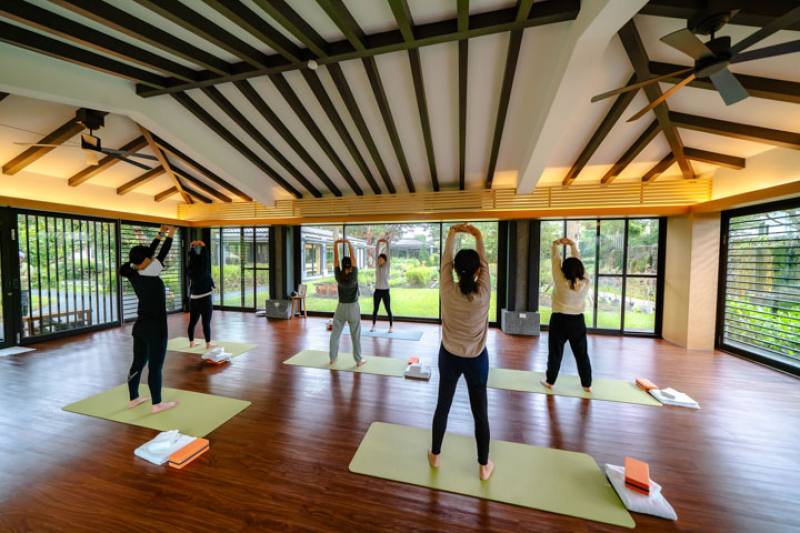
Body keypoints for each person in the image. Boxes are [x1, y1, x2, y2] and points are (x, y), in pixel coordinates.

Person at [429, 224, 494, 481]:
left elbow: (445, 261)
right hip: (477, 360)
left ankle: (435, 456)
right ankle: (483, 466)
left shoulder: (447, 290)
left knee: (442, 407)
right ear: (479, 271)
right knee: (480, 414)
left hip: (449, 358)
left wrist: (452, 234)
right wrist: (477, 235)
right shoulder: (484, 293)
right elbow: (485, 265)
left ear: (454, 270)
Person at [119, 225, 179, 414]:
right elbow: (162, 253)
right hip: (157, 329)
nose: (153, 259)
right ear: (146, 261)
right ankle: (157, 404)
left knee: (138, 363)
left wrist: (160, 235)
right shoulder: (152, 272)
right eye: (149, 258)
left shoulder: (132, 273)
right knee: (155, 367)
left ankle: (133, 398)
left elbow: (148, 255)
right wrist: (169, 235)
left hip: (140, 328)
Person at [541, 237, 592, 393]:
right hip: (577, 321)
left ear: (564, 270)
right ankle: (587, 384)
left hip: (559, 320)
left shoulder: (560, 280)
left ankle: (550, 381)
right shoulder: (586, 282)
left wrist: (556, 244)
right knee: (581, 354)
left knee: (555, 352)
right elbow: (578, 262)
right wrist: (573, 245)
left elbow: (555, 261)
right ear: (581, 269)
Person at [329, 239, 366, 368]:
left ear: (342, 266)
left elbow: (335, 260)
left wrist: (335, 245)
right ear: (351, 266)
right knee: (355, 336)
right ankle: (358, 361)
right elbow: (354, 258)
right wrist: (348, 243)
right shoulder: (354, 275)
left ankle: (333, 359)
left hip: (340, 308)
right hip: (353, 308)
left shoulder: (338, 276)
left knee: (335, 334)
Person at [186, 239, 215, 349]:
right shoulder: (204, 266)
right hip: (205, 298)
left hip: (193, 298)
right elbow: (206, 257)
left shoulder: (190, 268)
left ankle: (191, 343)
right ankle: (208, 344)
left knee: (192, 322)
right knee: (206, 322)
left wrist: (192, 248)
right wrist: (203, 246)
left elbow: (193, 256)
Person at [370, 236, 393, 333]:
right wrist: (378, 242)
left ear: (385, 260)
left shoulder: (387, 266)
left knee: (388, 309)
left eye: (381, 259)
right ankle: (373, 326)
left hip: (385, 290)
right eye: (378, 259)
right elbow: (376, 253)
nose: (379, 260)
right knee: (375, 309)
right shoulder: (377, 266)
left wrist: (386, 242)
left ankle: (391, 327)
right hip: (377, 291)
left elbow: (388, 252)